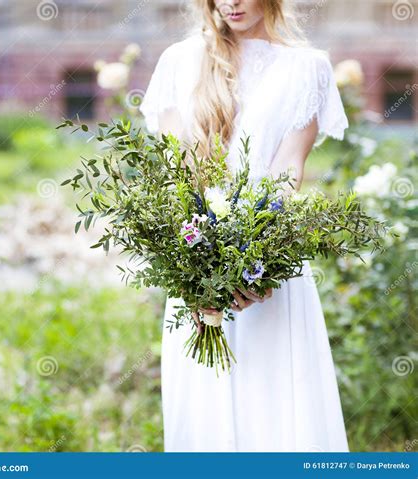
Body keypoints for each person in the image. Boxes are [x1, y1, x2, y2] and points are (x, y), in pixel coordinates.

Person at [139, 0, 349, 452]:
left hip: (267, 266)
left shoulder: (307, 67)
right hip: (194, 255)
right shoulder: (179, 61)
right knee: (204, 409)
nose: (229, 3)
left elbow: (288, 171)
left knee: (276, 408)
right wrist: (196, 264)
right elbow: (180, 170)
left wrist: (258, 257)